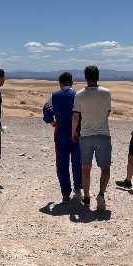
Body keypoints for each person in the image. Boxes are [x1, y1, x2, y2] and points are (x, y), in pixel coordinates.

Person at [71, 66, 112, 211]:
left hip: (85, 135)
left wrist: (73, 131)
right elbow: (107, 113)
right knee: (105, 168)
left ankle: (87, 196)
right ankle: (101, 195)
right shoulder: (106, 93)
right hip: (103, 135)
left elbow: (75, 116)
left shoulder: (79, 94)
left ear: (85, 77)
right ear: (98, 76)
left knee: (85, 168)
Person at [43, 72, 82, 203]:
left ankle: (65, 194)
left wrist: (51, 121)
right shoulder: (78, 95)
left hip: (60, 132)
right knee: (77, 162)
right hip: (77, 133)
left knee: (62, 163)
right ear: (72, 83)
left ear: (60, 83)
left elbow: (46, 110)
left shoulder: (54, 96)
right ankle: (78, 190)